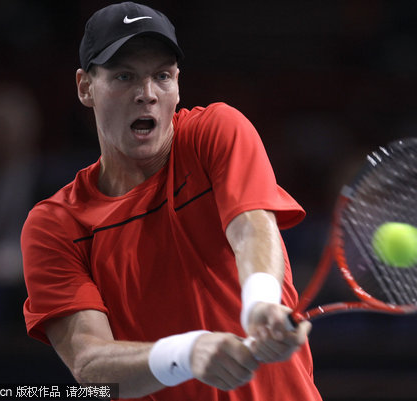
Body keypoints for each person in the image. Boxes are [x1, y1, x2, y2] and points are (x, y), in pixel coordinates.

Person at [21, 2, 322, 400]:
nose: (146, 94)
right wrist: (186, 354)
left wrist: (260, 306)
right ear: (85, 87)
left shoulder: (215, 133)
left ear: (178, 85)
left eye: (161, 76)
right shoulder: (56, 227)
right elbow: (90, 366)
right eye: (124, 76)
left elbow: (252, 227)